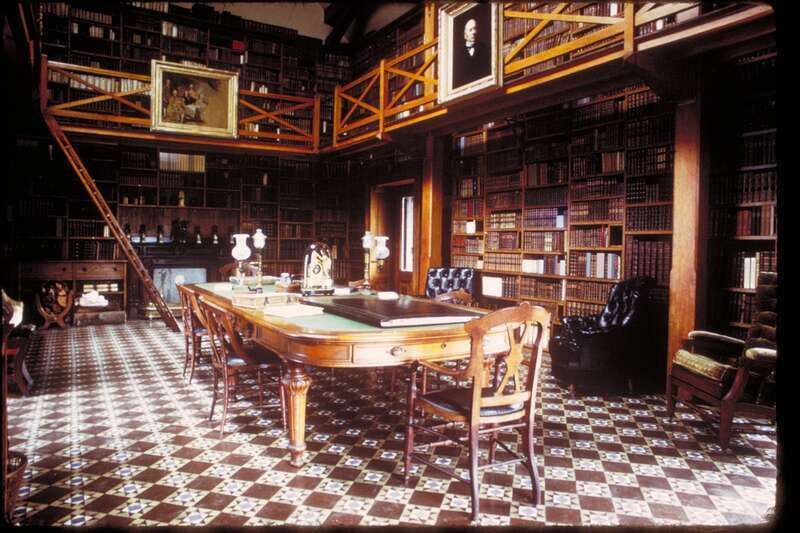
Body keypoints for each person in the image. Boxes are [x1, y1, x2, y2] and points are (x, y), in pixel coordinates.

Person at [452, 17, 491, 88]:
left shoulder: (484, 48)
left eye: (475, 29)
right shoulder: (458, 54)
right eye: (470, 30)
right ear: (465, 34)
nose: (474, 32)